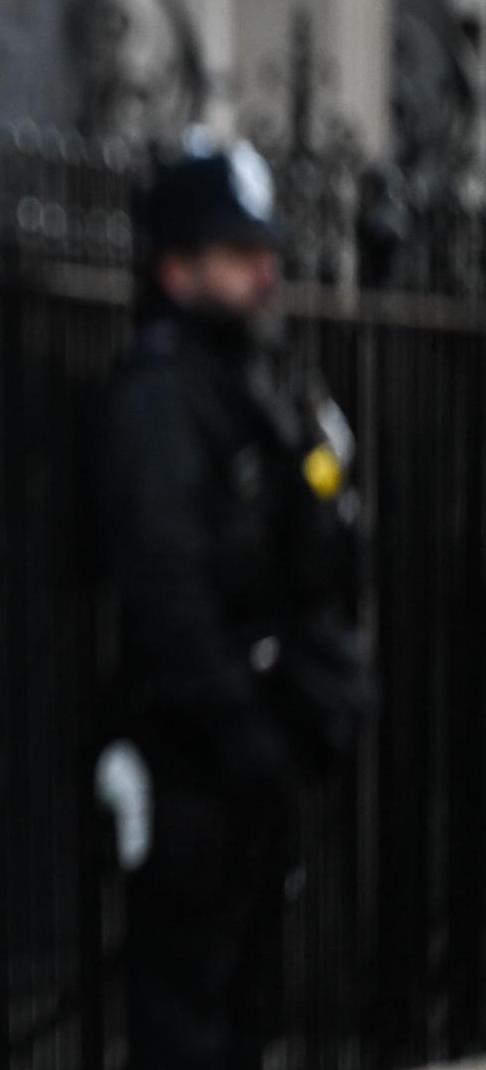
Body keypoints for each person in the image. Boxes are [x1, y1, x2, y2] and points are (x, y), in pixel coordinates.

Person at [101, 138, 371, 1069]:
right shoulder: (162, 400)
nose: (267, 272)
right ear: (178, 269)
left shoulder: (255, 385)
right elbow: (168, 587)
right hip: (194, 760)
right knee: (190, 1021)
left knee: (247, 1014)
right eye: (239, 253)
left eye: (269, 252)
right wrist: (240, 727)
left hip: (255, 755)